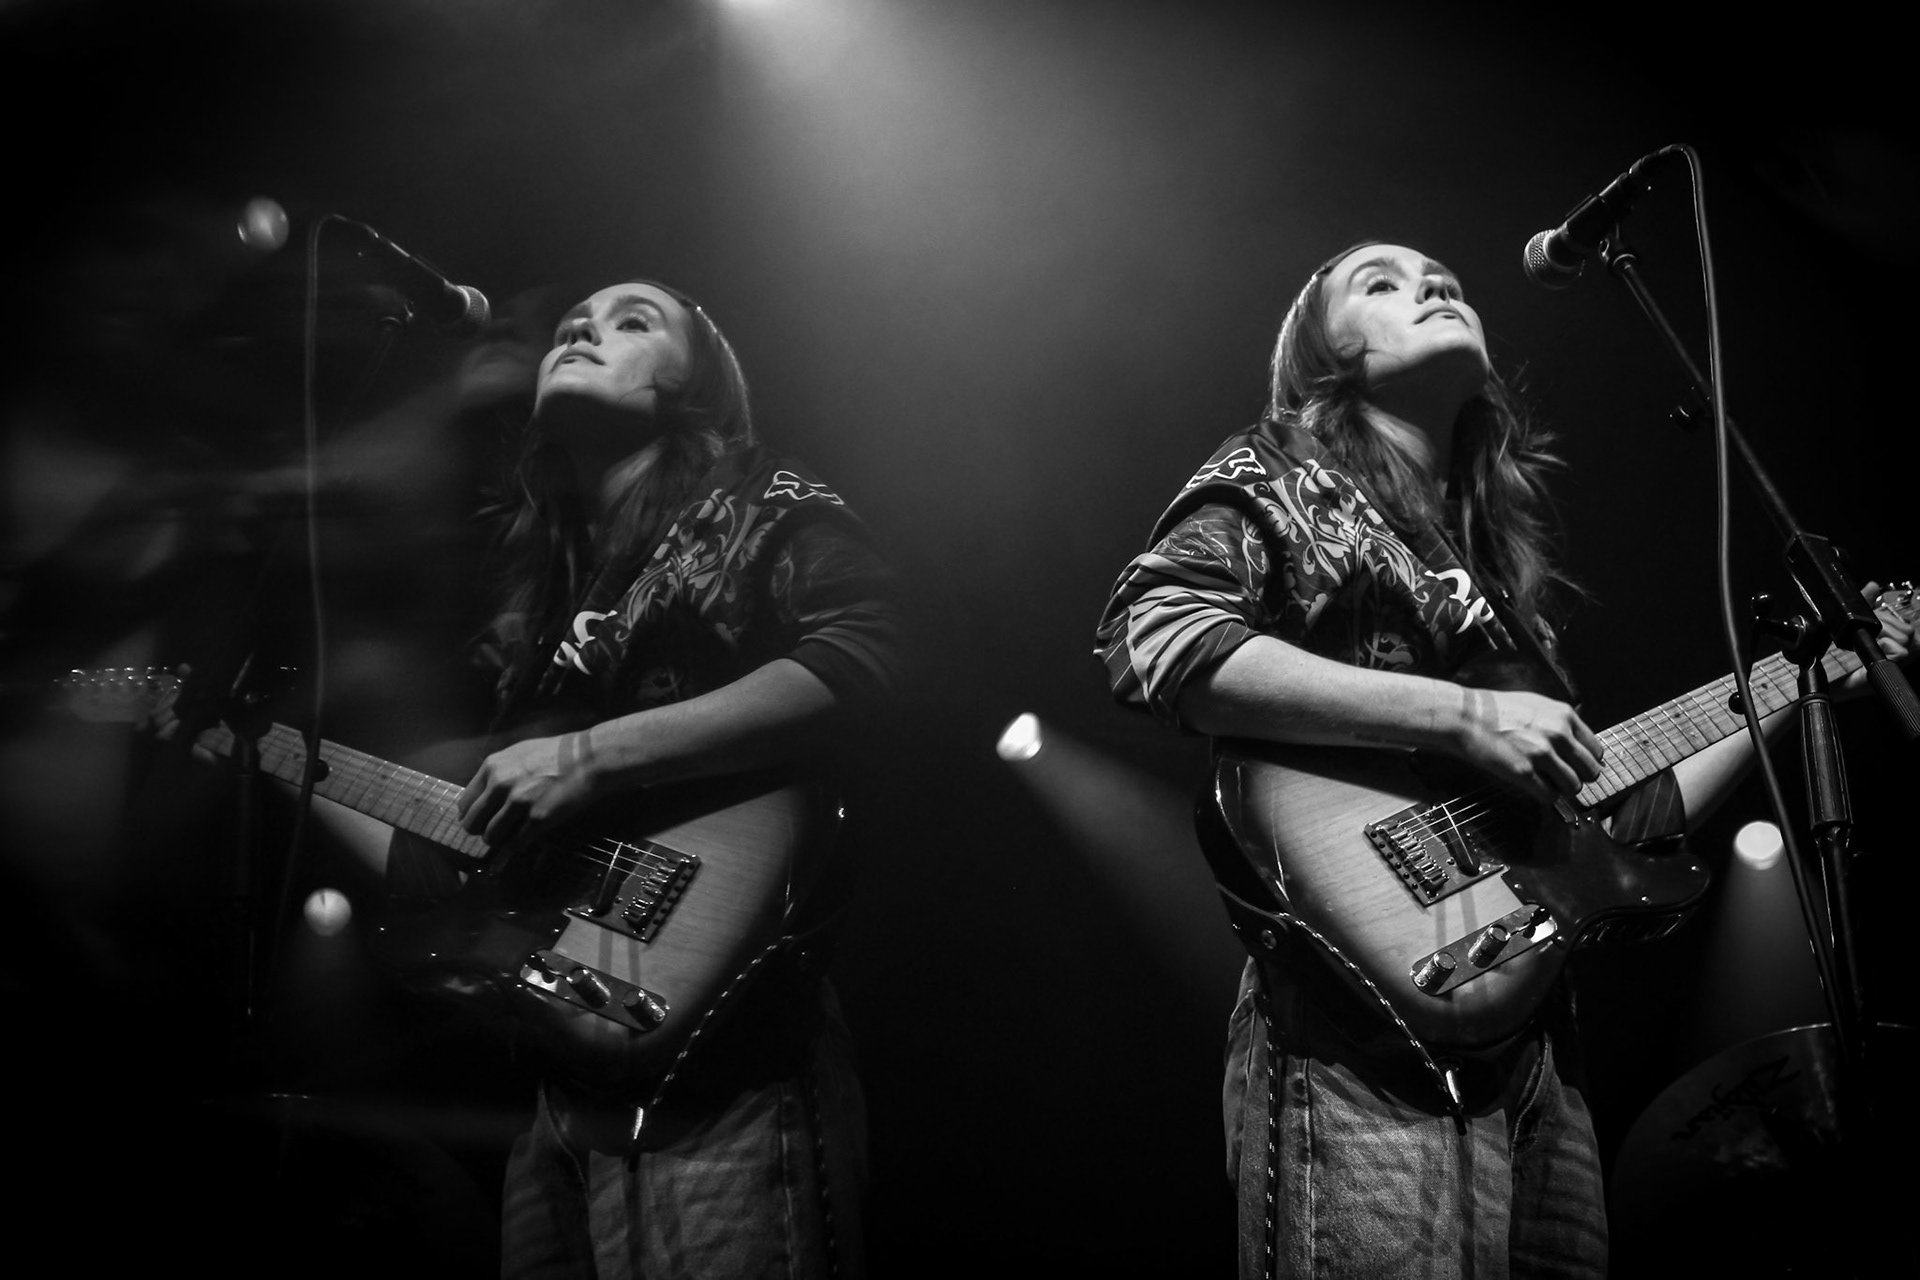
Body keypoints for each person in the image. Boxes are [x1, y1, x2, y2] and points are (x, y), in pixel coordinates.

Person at [1093, 241, 1911, 1278]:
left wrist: (1797, 682)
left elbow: (1625, 818)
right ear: (1325, 357)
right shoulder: (1281, 473)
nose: (1433, 283)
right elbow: (1155, 632)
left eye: (1444, 277)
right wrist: (1460, 715)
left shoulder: (1491, 579)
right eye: (1380, 283)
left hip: (1539, 1051)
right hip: (1359, 1026)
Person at [433, 277, 902, 1277]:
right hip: (563, 1077)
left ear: (696, 388)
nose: (584, 330)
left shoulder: (757, 499)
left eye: (633, 320)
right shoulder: (546, 589)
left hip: (733, 1054)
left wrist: (592, 754)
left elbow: (871, 653)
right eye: (572, 324)